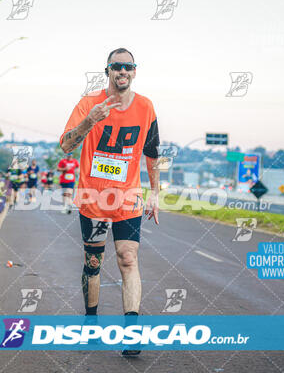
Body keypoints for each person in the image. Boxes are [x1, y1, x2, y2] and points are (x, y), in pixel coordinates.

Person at [59, 48, 160, 356]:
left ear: (134, 71)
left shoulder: (145, 107)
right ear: (107, 71)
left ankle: (132, 334)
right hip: (93, 198)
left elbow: (153, 153)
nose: (123, 71)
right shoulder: (88, 104)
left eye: (128, 67)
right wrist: (89, 121)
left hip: (128, 197)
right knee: (94, 263)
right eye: (117, 66)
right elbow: (65, 146)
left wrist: (155, 191)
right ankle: (91, 323)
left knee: (128, 258)